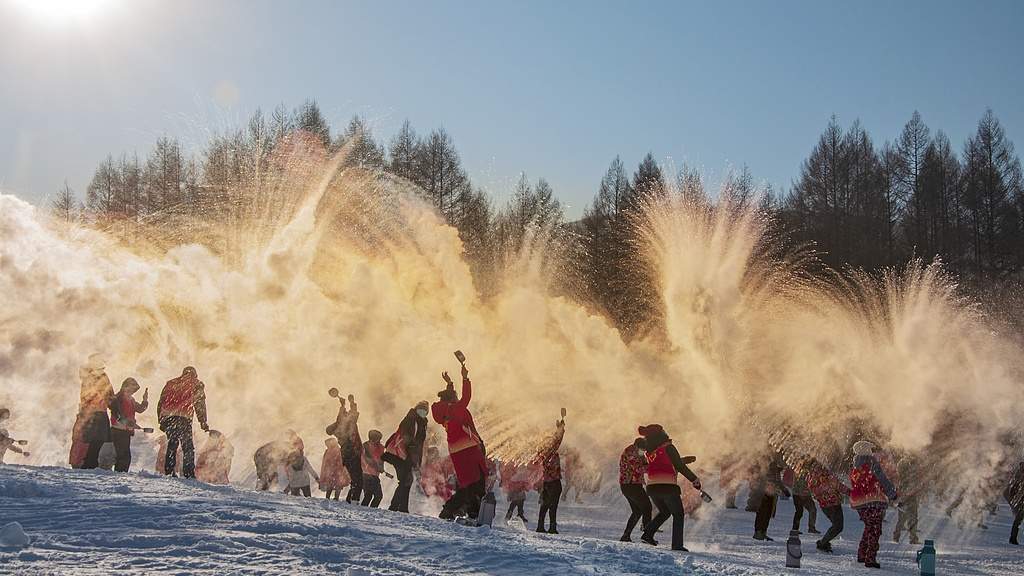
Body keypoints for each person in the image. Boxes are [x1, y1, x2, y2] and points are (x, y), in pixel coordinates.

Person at [431, 362, 487, 521]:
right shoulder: (456, 408)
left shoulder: (446, 411)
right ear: (452, 399)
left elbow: (449, 399)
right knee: (475, 483)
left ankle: (470, 511)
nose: (457, 398)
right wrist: (465, 378)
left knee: (470, 483)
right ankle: (456, 511)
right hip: (468, 450)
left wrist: (449, 384)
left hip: (457, 451)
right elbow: (466, 397)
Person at [637, 424, 701, 552]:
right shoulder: (668, 447)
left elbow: (663, 462)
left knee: (665, 512)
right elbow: (679, 466)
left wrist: (684, 460)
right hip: (667, 486)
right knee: (678, 514)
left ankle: (648, 534)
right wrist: (694, 480)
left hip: (652, 487)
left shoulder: (649, 451)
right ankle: (677, 545)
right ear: (660, 434)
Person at [849, 440, 898, 569]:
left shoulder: (855, 465)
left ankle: (862, 554)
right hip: (873, 501)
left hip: (860, 502)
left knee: (869, 527)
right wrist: (892, 494)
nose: (871, 452)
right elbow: (882, 479)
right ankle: (870, 558)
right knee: (875, 530)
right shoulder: (871, 462)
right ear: (865, 450)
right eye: (869, 449)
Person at [157, 366, 209, 479]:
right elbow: (199, 405)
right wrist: (203, 422)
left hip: (169, 417)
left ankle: (169, 471)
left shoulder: (171, 383)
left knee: (172, 443)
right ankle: (188, 473)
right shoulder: (196, 384)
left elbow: (161, 402)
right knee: (187, 446)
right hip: (184, 418)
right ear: (195, 375)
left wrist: (161, 420)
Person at [383, 401, 429, 512]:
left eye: (425, 411)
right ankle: (396, 507)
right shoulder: (411, 419)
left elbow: (419, 444)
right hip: (401, 455)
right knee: (405, 480)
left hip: (406, 455)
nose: (422, 412)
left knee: (406, 480)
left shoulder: (421, 423)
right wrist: (412, 458)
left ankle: (400, 507)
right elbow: (408, 439)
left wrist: (416, 461)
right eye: (421, 409)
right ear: (416, 409)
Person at [72, 354, 115, 469]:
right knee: (93, 440)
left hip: (99, 411)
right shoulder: (89, 377)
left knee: (99, 440)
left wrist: (113, 405)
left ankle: (90, 463)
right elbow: (86, 395)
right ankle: (88, 463)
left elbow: (110, 394)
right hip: (92, 412)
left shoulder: (102, 376)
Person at [805, 459, 850, 553]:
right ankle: (822, 543)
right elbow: (836, 485)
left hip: (829, 504)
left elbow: (836, 485)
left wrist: (849, 492)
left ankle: (823, 542)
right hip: (831, 504)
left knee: (837, 526)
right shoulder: (818, 474)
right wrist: (849, 492)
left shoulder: (815, 474)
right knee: (838, 526)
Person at [327, 392, 363, 503]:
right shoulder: (343, 427)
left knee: (356, 479)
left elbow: (344, 417)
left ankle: (351, 500)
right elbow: (347, 416)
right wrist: (349, 403)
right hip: (351, 452)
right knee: (358, 479)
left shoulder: (339, 429)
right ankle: (353, 501)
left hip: (348, 453)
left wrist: (343, 405)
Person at [108, 377, 149, 472]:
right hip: (118, 430)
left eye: (133, 390)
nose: (132, 391)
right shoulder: (118, 398)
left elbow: (140, 409)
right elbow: (116, 413)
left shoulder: (131, 399)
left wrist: (145, 400)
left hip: (126, 431)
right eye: (130, 388)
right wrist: (127, 422)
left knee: (125, 456)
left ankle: (120, 474)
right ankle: (119, 475)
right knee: (123, 456)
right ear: (125, 386)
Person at [535, 417, 566, 534]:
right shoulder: (550, 451)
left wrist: (559, 429)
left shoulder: (542, 451)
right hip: (554, 482)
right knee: (553, 505)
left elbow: (556, 441)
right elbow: (557, 441)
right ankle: (552, 527)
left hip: (546, 482)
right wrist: (560, 429)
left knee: (545, 505)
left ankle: (540, 526)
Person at [619, 437, 651, 542]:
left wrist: (648, 464)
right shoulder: (631, 453)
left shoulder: (637, 452)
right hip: (631, 485)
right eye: (643, 449)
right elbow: (638, 469)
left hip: (629, 485)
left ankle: (626, 535)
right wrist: (653, 467)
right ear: (637, 446)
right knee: (647, 507)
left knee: (637, 511)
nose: (644, 451)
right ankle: (647, 534)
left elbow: (644, 464)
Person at [753, 452, 790, 541]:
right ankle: (758, 532)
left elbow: (778, 481)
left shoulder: (775, 468)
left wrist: (784, 489)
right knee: (762, 513)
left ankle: (763, 532)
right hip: (764, 493)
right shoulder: (769, 465)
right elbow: (769, 479)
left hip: (771, 493)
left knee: (768, 513)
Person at [893, 455, 921, 545]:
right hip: (909, 497)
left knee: (903, 518)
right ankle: (912, 538)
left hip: (904, 496)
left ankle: (897, 536)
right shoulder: (910, 468)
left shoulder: (902, 465)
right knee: (912, 518)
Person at [788, 460, 819, 534]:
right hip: (798, 494)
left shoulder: (810, 472)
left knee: (812, 510)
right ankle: (795, 529)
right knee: (800, 511)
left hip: (805, 495)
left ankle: (811, 527)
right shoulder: (801, 471)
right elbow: (800, 484)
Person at [361, 430, 385, 508]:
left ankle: (370, 510)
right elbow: (366, 459)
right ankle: (368, 510)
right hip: (366, 474)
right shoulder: (365, 446)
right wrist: (377, 467)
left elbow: (381, 460)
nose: (379, 440)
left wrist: (381, 467)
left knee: (374, 496)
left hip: (374, 475)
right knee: (373, 495)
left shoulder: (380, 447)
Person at [1005, 460, 1024, 545]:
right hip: (1020, 501)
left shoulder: (1018, 475)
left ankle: (1013, 538)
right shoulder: (1019, 476)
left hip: (1019, 501)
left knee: (1018, 520)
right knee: (1018, 520)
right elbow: (1013, 490)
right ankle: (1013, 538)